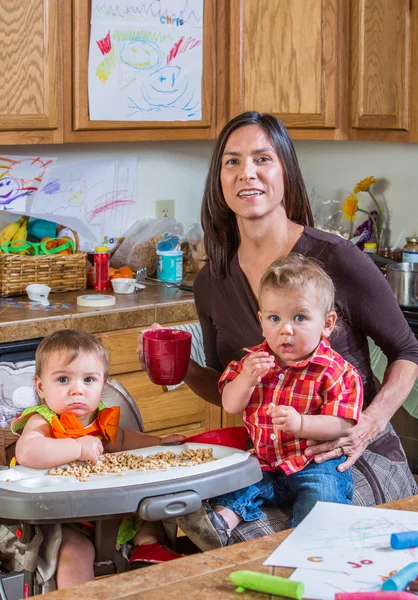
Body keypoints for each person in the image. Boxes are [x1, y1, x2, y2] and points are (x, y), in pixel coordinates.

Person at [137, 111, 418, 545]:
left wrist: (369, 423)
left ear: (285, 169)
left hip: (349, 454)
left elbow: (407, 350)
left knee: (268, 540)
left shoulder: (335, 258)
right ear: (219, 180)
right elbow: (227, 386)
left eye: (262, 158)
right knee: (197, 518)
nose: (246, 172)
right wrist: (181, 367)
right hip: (272, 458)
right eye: (232, 162)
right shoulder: (212, 281)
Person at [197, 253, 363, 542]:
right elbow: (231, 404)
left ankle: (309, 539)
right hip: (265, 462)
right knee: (240, 483)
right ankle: (220, 521)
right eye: (275, 318)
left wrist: (301, 424)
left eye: (299, 317)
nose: (285, 329)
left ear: (326, 323)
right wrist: (247, 379)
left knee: (324, 493)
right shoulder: (251, 364)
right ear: (262, 322)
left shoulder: (337, 372)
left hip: (314, 464)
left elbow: (343, 425)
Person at [12, 329, 185, 589]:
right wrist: (78, 448)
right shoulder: (44, 420)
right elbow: (27, 452)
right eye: (62, 379)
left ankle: (148, 555)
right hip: (58, 518)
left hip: (104, 510)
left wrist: (160, 443)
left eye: (89, 380)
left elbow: (124, 440)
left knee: (150, 521)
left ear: (103, 383)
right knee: (74, 552)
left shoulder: (102, 420)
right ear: (40, 387)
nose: (77, 390)